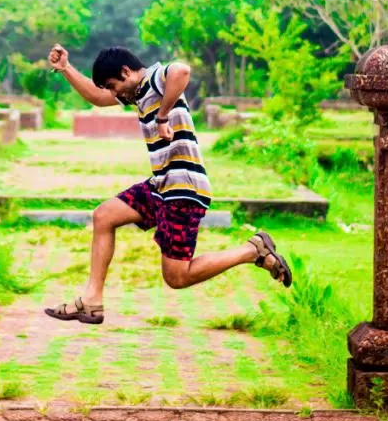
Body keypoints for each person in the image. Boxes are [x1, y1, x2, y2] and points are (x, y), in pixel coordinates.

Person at [44, 44, 292, 326]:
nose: (114, 94)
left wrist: (162, 116)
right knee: (104, 215)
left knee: (176, 277)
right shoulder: (136, 93)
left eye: (114, 86)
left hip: (184, 189)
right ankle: (92, 300)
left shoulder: (155, 78)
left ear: (126, 72)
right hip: (161, 185)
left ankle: (253, 250)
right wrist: (65, 69)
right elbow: (98, 98)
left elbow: (182, 70)